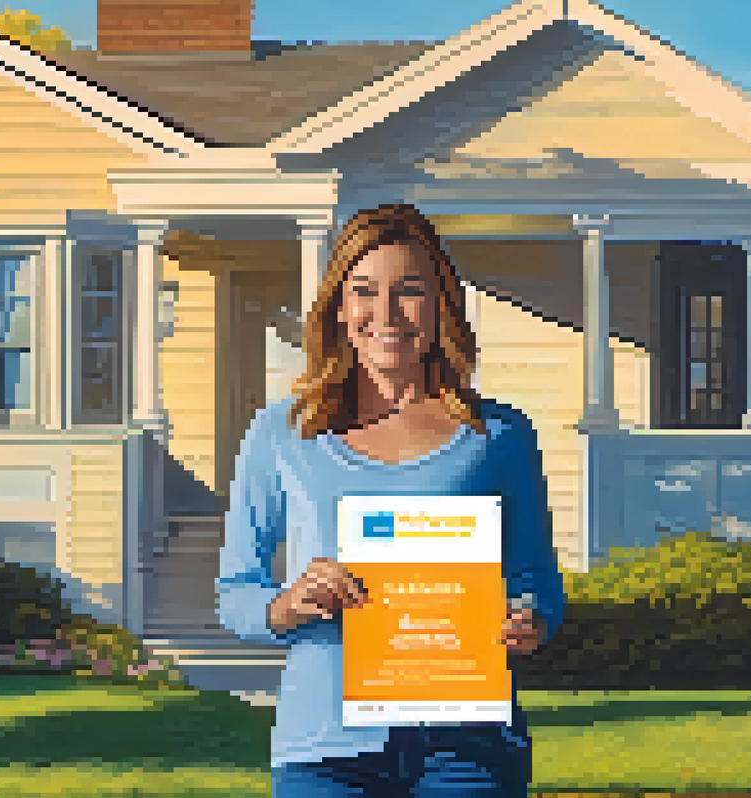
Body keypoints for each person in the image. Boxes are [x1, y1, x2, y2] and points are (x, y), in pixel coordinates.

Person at [216, 203, 566, 797]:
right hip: (324, 751)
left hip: (469, 751)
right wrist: (290, 603)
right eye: (364, 291)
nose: (386, 314)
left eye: (409, 291)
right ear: (339, 305)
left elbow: (537, 579)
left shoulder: (500, 436)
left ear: (441, 305)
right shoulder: (282, 434)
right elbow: (235, 594)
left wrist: (530, 617)